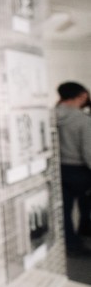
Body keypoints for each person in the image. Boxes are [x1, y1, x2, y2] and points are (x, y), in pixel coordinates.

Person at [55, 81, 91, 255]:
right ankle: (85, 228)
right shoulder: (83, 120)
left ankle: (71, 244)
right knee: (86, 201)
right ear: (82, 96)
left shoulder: (51, 116)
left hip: (58, 169)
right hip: (80, 171)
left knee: (65, 209)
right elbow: (88, 151)